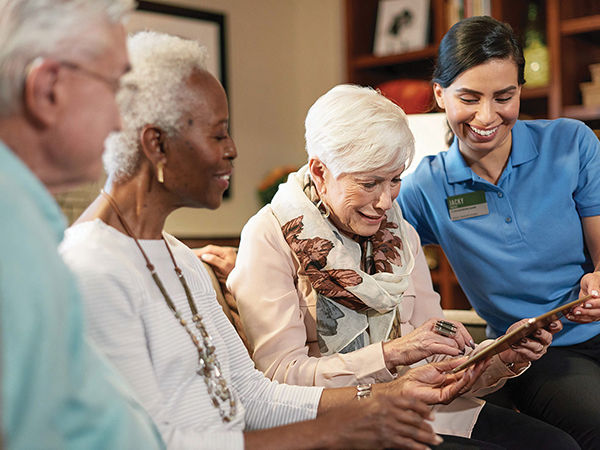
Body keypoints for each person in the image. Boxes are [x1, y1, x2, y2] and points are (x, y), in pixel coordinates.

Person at [59, 30, 491, 449]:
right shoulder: (91, 269)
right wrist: (342, 429)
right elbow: (149, 442)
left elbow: (255, 396)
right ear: (156, 144)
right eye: (218, 133)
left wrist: (377, 401)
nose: (232, 149)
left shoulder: (177, 257)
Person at [227, 83, 580, 449]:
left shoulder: (400, 232)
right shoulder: (269, 235)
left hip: (419, 408)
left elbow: (439, 359)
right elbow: (279, 380)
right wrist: (393, 353)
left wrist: (499, 357)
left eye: (395, 180)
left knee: (558, 445)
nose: (384, 202)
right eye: (368, 183)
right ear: (320, 171)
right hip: (339, 424)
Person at [396, 15, 600, 449]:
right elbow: (362, 232)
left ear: (520, 92)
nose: (487, 117)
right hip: (540, 353)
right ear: (439, 94)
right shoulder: (426, 188)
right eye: (468, 97)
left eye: (504, 97)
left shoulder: (572, 143)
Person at [0, 0, 164, 448]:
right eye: (115, 87)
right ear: (48, 89)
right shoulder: (11, 238)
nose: (118, 120)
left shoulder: (26, 222)